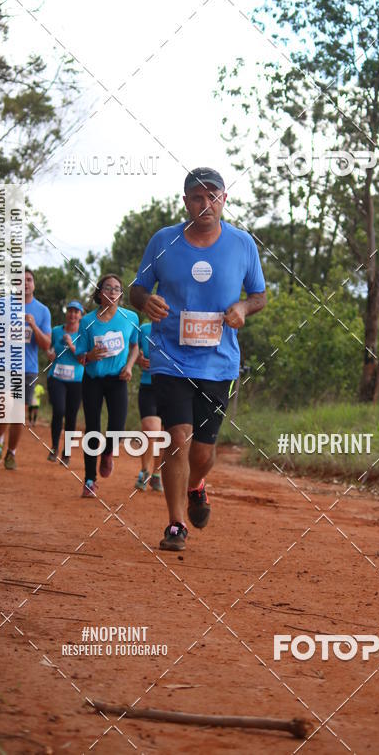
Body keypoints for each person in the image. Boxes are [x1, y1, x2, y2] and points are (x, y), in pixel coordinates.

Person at [130, 167, 266, 551]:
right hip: (170, 358)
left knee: (203, 453)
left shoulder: (242, 245)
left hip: (218, 363)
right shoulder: (163, 241)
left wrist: (243, 307)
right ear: (185, 201)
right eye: (197, 197)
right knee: (177, 440)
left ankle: (196, 484)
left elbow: (259, 295)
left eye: (214, 196)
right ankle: (175, 525)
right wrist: (147, 301)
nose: (206, 204)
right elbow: (137, 290)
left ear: (225, 199)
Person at [0, 268, 51, 470]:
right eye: (21, 280)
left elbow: (46, 344)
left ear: (33, 285)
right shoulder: (2, 304)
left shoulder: (42, 311)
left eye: (29, 280)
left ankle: (11, 453)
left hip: (27, 369)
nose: (25, 283)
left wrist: (34, 326)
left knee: (18, 413)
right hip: (3, 365)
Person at [74, 274, 139, 498]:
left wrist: (130, 366)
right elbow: (80, 356)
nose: (112, 292)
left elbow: (135, 347)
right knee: (92, 428)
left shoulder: (130, 318)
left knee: (117, 427)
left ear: (121, 295)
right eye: (108, 288)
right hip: (92, 379)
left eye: (117, 289)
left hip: (117, 379)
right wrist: (90, 355)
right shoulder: (86, 322)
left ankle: (108, 452)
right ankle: (90, 479)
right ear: (100, 293)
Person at [46, 300, 85, 465]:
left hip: (77, 380)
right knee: (59, 410)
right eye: (70, 311)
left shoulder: (84, 335)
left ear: (80, 316)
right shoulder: (56, 331)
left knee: (71, 416)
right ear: (66, 313)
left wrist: (71, 345)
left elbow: (84, 359)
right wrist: (49, 354)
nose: (73, 315)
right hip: (56, 377)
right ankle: (54, 447)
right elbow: (49, 348)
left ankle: (67, 453)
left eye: (76, 312)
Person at [134, 320, 163, 493]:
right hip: (148, 386)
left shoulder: (175, 328)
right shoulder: (143, 330)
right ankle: (144, 471)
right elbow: (133, 350)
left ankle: (157, 474)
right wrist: (139, 360)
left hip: (170, 388)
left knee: (166, 433)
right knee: (151, 429)